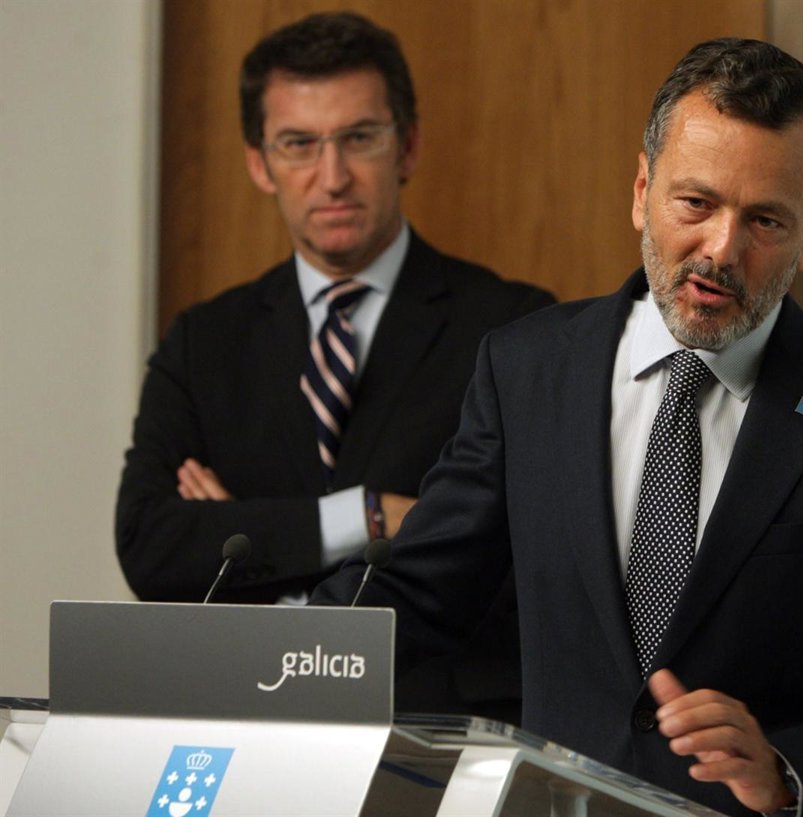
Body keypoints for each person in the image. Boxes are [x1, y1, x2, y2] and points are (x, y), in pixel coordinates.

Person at [312, 37, 803, 815]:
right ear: (642, 190)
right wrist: (255, 656)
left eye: (765, 220)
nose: (721, 249)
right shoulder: (527, 370)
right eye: (696, 203)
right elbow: (421, 591)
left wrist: (786, 769)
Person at [116, 12, 552, 721]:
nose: (333, 177)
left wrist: (246, 532)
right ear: (260, 163)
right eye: (299, 144)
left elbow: (524, 563)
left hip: (436, 730)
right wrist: (369, 515)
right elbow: (150, 545)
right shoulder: (205, 341)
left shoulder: (514, 328)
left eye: (359, 138)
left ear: (407, 146)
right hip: (244, 718)